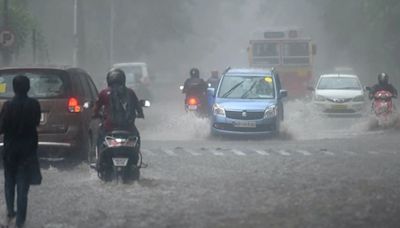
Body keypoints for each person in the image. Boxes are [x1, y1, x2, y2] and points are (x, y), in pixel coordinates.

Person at [0, 75, 41, 228]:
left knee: (9, 183)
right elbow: (36, 122)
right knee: (23, 188)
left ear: (14, 88)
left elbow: (1, 128)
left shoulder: (7, 106)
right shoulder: (34, 105)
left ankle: (10, 212)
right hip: (27, 151)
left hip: (10, 150)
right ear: (28, 88)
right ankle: (20, 222)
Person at [93, 68, 144, 152]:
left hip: (109, 128)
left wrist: (94, 114)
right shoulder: (130, 92)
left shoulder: (104, 93)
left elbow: (96, 108)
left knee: (100, 138)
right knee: (137, 137)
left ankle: (98, 158)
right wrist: (140, 114)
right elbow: (138, 106)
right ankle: (136, 157)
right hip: (128, 127)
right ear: (123, 79)